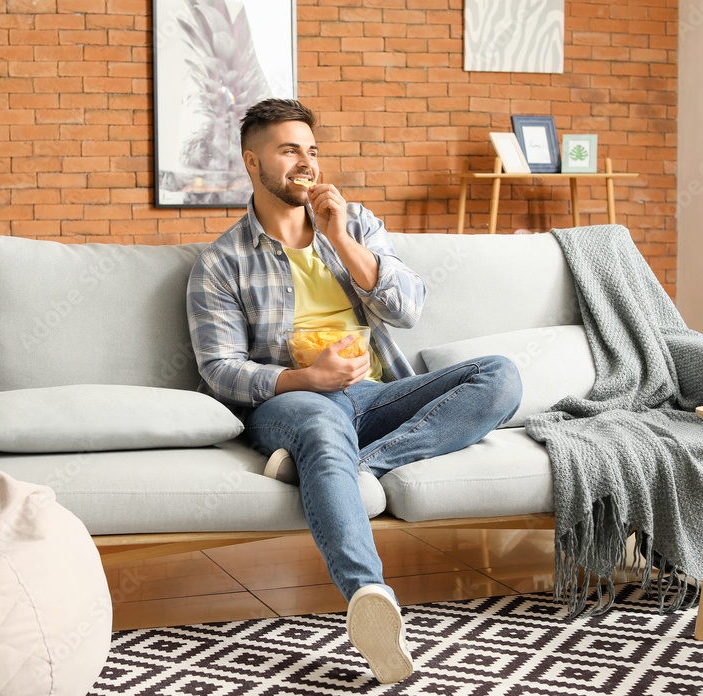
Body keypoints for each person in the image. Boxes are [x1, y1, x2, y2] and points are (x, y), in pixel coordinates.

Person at [186, 98, 522, 684]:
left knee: (500, 375)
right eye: (288, 150)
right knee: (320, 425)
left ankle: (346, 466)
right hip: (292, 402)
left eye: (311, 150)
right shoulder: (221, 263)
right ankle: (369, 595)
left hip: (375, 395)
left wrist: (339, 238)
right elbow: (219, 369)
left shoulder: (357, 222)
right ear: (252, 162)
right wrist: (307, 379)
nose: (305, 163)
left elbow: (408, 309)